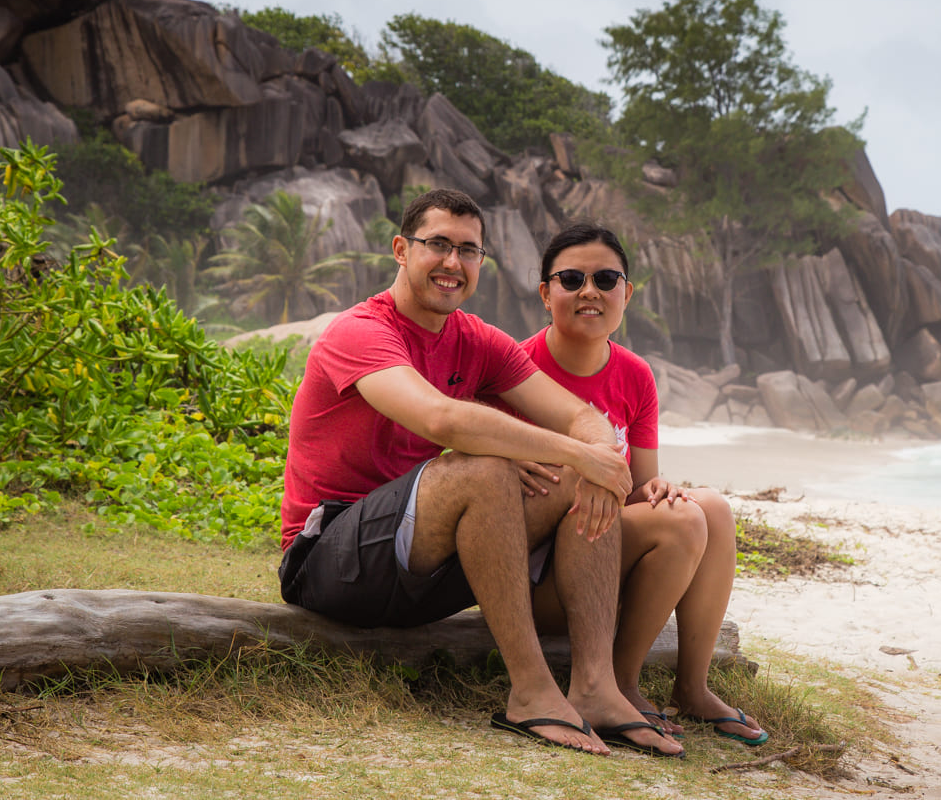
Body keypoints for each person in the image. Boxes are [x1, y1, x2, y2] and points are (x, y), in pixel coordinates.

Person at [277, 189, 683, 758]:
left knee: (570, 478)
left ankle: (594, 684)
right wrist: (580, 453)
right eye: (438, 244)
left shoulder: (476, 340)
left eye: (468, 250)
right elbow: (440, 418)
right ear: (401, 249)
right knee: (487, 468)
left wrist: (592, 456)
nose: (452, 263)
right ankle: (530, 690)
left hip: (422, 566)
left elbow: (578, 414)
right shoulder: (362, 330)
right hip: (330, 561)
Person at [512, 221, 768, 745]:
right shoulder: (516, 368)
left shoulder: (635, 375)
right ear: (545, 293)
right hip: (538, 580)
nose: (590, 291)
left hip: (605, 565)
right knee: (682, 522)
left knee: (710, 508)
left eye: (607, 279)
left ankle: (692, 687)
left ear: (626, 293)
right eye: (571, 279)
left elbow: (639, 488)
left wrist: (658, 491)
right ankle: (619, 684)